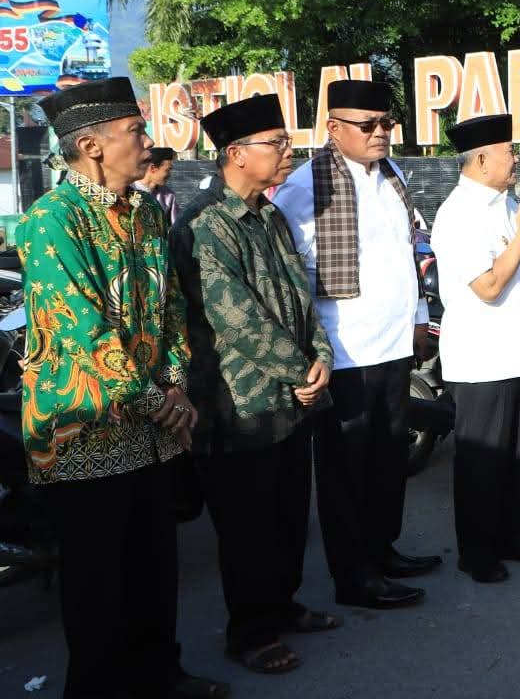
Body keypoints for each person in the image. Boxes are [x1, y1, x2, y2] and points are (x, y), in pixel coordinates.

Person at [19, 77, 228, 699]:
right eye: (135, 131)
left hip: (154, 425)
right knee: (98, 583)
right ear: (91, 145)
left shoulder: (145, 212)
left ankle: (162, 675)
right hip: (84, 427)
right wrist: (158, 400)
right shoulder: (52, 220)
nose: (147, 141)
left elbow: (169, 308)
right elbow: (80, 328)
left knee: (154, 566)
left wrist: (175, 384)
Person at [171, 94, 339, 677]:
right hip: (236, 405)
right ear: (236, 154)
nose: (288, 152)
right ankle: (250, 633)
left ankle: (282, 606)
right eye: (277, 144)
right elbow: (235, 318)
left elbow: (300, 296)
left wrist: (320, 358)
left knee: (289, 515)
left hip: (290, 399)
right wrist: (302, 371)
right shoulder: (203, 224)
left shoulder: (269, 215)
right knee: (247, 528)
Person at [271, 78, 437, 610]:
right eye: (368, 125)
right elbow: (294, 278)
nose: (380, 132)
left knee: (389, 459)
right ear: (334, 128)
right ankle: (353, 576)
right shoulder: (305, 186)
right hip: (344, 353)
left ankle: (382, 551)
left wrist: (418, 317)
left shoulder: (392, 174)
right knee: (347, 472)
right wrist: (311, 351)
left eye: (386, 123)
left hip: (393, 345)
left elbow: (406, 252)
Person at [429, 114, 520, 582]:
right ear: (481, 160)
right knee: (483, 460)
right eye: (508, 151)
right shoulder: (458, 213)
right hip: (484, 358)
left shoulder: (508, 203)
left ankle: (517, 537)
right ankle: (478, 552)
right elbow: (488, 286)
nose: (515, 158)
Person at [136, 146, 179, 224]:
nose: (169, 175)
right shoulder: (128, 190)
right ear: (153, 168)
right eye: (167, 170)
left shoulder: (168, 196)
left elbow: (175, 226)